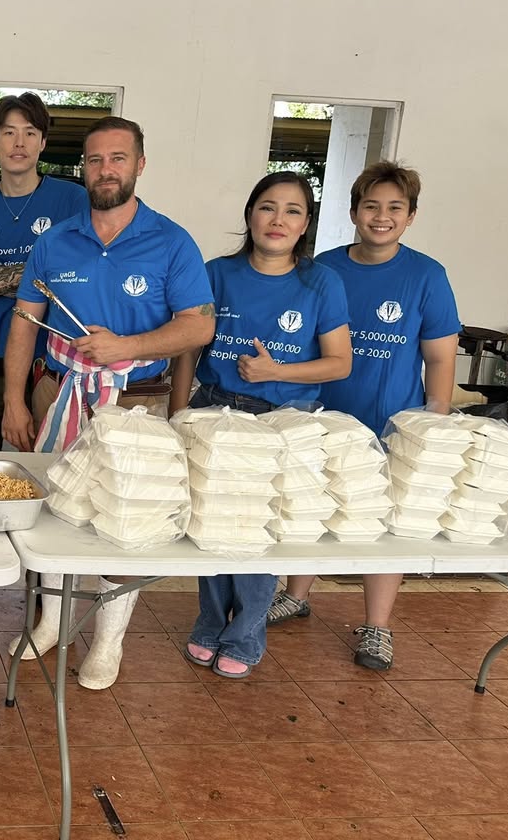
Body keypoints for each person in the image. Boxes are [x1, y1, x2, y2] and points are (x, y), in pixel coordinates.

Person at [2, 116, 215, 689]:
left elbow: (197, 327)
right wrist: (14, 401)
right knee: (51, 510)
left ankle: (109, 641)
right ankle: (52, 621)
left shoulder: (171, 241)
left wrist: (127, 345)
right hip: (58, 390)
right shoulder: (55, 241)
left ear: (139, 164)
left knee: (126, 520)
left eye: (117, 158)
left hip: (136, 403)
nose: (105, 169)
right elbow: (25, 322)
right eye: (95, 160)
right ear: (83, 169)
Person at [267, 161, 459, 671]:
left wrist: (433, 423)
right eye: (371, 205)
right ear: (353, 211)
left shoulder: (426, 276)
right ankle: (296, 594)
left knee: (386, 524)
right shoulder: (321, 270)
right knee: (309, 505)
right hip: (319, 416)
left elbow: (440, 358)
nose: (381, 216)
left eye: (395, 207)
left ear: (411, 216)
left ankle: (376, 626)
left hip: (391, 424)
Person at [168, 171, 351, 678]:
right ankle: (209, 621)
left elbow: (340, 362)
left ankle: (246, 633)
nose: (278, 219)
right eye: (267, 207)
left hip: (281, 422)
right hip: (216, 409)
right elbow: (189, 346)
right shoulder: (215, 272)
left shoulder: (321, 282)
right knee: (211, 524)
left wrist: (278, 371)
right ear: (250, 214)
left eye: (293, 210)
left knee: (256, 531)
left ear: (305, 224)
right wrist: (179, 413)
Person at [0, 93, 85, 606]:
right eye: (8, 131)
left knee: (50, 458)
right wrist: (29, 274)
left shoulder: (71, 201)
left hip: (54, 353)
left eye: (29, 132)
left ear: (43, 142)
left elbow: (69, 284)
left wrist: (0, 275)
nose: (19, 142)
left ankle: (45, 570)